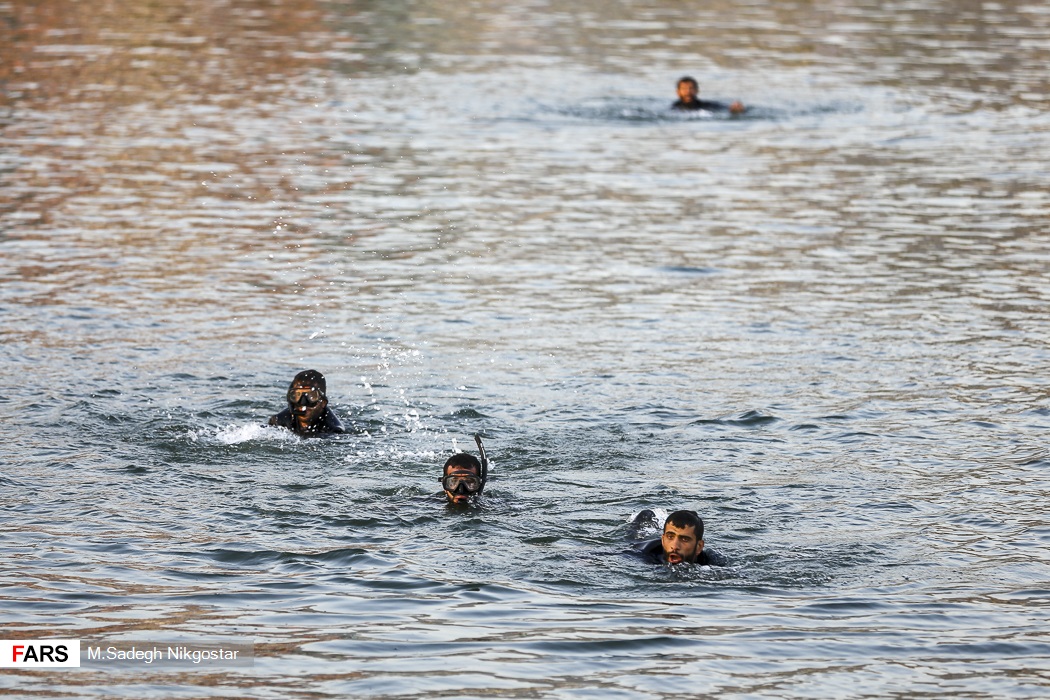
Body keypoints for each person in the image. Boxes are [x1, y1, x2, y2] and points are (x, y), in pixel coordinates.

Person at [268, 369, 345, 435]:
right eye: (297, 395)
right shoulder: (277, 421)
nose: (302, 403)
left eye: (311, 396)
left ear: (323, 403)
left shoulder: (334, 431)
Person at [635, 509, 725, 566]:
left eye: (684, 539)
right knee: (646, 515)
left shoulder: (712, 562)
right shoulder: (644, 556)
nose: (674, 546)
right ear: (663, 540)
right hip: (637, 543)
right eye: (670, 537)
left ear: (699, 546)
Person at [439, 434, 489, 506]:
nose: (461, 490)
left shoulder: (495, 507)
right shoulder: (427, 504)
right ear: (444, 484)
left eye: (469, 482)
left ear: (480, 485)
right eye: (453, 482)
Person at [671, 76, 745, 115]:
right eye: (684, 89)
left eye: (691, 88)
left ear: (697, 91)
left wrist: (733, 109)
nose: (688, 91)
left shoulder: (706, 105)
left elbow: (723, 108)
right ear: (678, 92)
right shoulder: (674, 108)